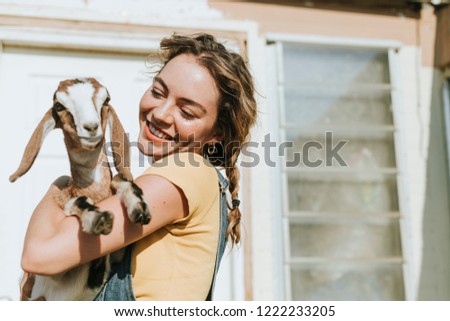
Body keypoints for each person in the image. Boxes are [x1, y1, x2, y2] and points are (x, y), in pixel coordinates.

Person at [20, 33, 257, 300]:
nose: (160, 113)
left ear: (217, 135)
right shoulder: (197, 182)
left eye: (187, 112)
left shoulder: (186, 169)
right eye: (158, 92)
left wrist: (61, 187)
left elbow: (39, 255)